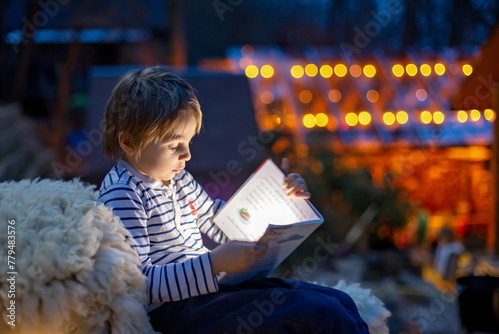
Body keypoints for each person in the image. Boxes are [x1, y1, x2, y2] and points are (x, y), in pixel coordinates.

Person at [97, 66, 369, 333]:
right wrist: (214, 264)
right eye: (174, 145)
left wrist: (281, 197)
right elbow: (137, 284)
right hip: (175, 313)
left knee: (340, 302)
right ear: (129, 142)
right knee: (321, 315)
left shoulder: (177, 178)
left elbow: (220, 223)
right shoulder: (124, 194)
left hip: (210, 292)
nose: (187, 155)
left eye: (189, 142)